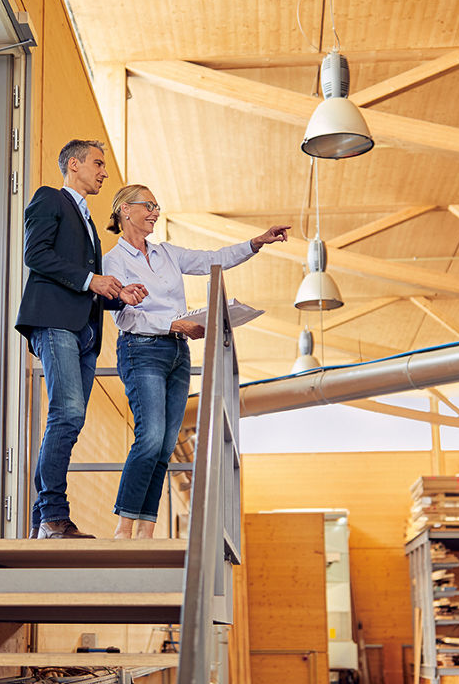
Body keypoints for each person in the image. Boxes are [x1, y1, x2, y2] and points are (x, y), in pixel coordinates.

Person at [102, 184, 290, 539]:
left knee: (166, 442)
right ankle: (123, 527)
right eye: (149, 205)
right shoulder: (113, 261)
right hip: (141, 350)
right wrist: (172, 322)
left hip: (177, 352)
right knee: (150, 436)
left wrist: (256, 243)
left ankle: (146, 528)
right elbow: (123, 318)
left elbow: (210, 259)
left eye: (158, 206)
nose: (156, 212)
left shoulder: (166, 253)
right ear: (125, 210)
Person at [15, 139, 148, 540]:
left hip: (86, 331)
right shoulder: (49, 198)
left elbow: (83, 277)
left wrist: (114, 293)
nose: (104, 172)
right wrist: (93, 279)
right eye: (98, 163)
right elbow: (35, 254)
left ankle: (47, 519)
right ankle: (53, 517)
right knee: (67, 413)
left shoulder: (89, 221)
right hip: (53, 323)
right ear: (73, 164)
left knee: (71, 418)